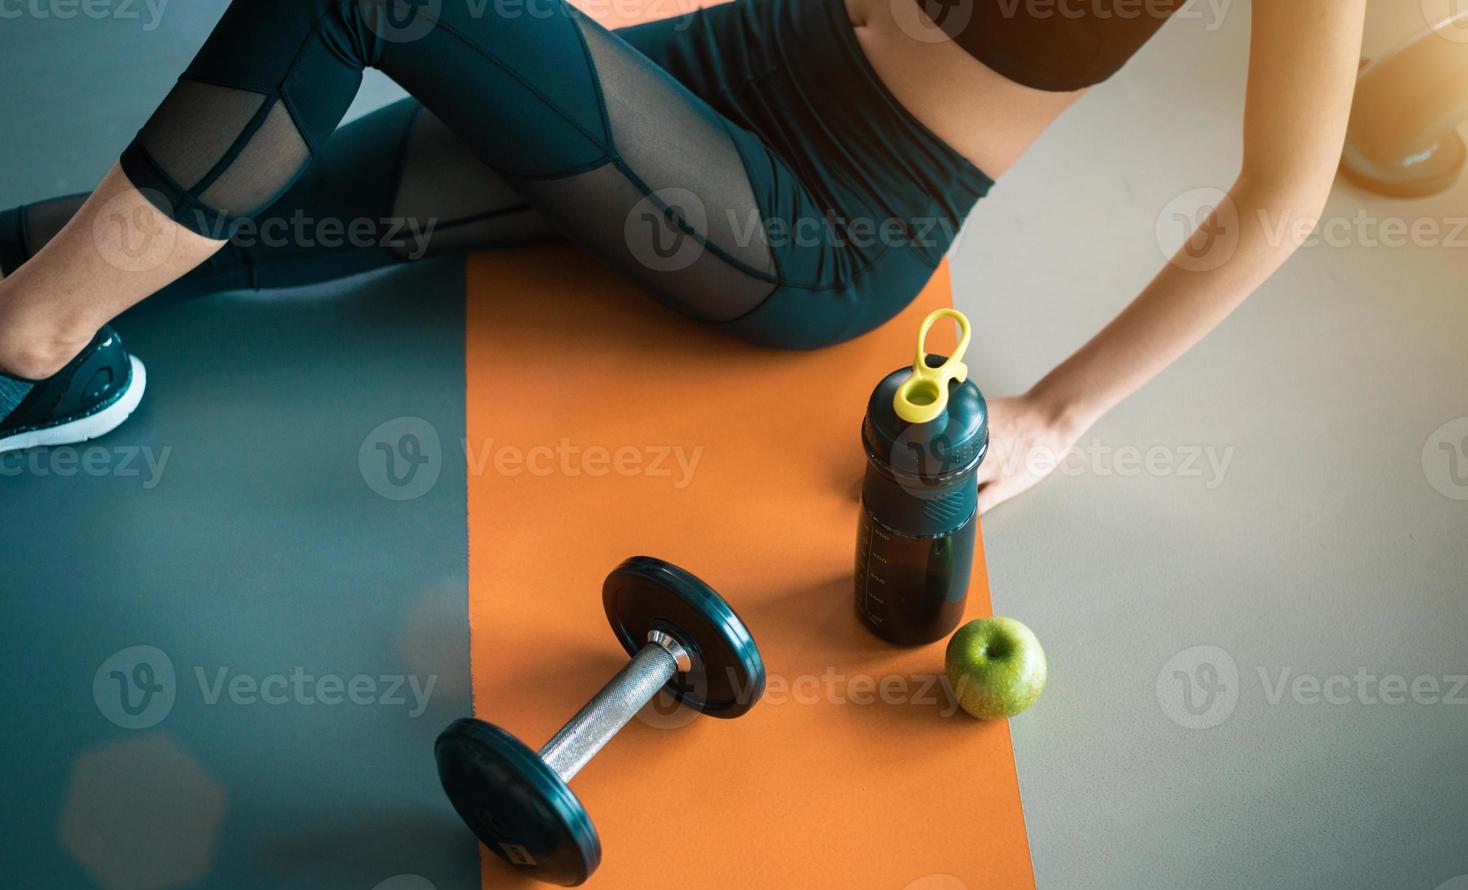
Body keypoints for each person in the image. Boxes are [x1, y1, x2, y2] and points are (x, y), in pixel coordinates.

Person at [0, 0, 1366, 510]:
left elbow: (1285, 196)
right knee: (98, 238)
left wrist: (1058, 414)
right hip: (735, 61)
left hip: (819, 216)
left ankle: (38, 343)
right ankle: (52, 327)